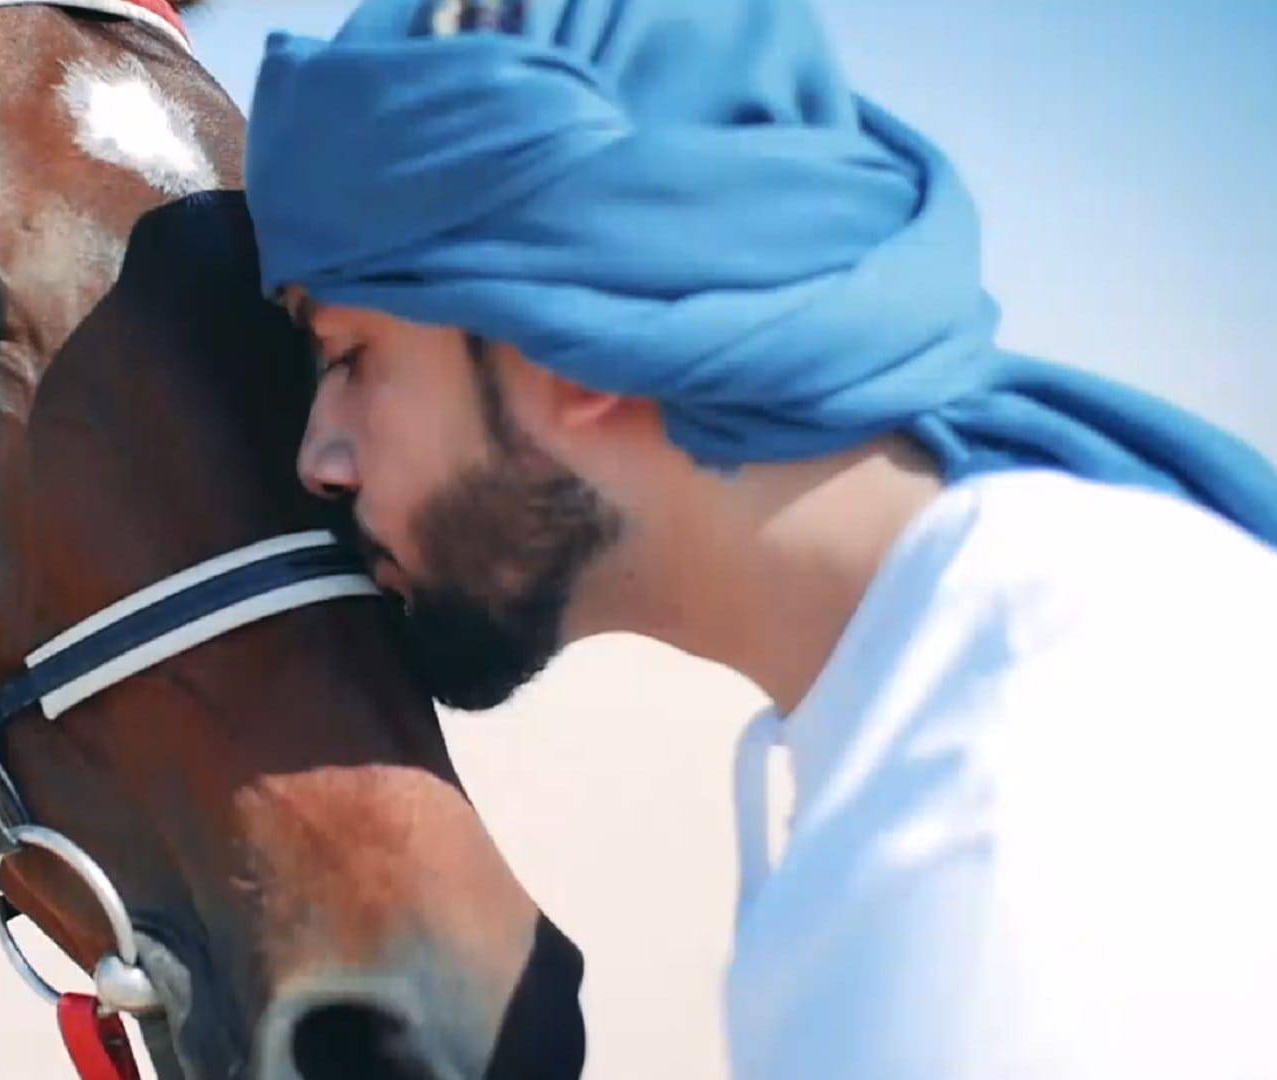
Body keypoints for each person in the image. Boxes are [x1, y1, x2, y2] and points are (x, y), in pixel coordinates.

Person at [240, 0, 1277, 1077]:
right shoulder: (955, 694)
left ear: (576, 336)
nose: (321, 456)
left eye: (349, 355)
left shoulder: (1001, 882)